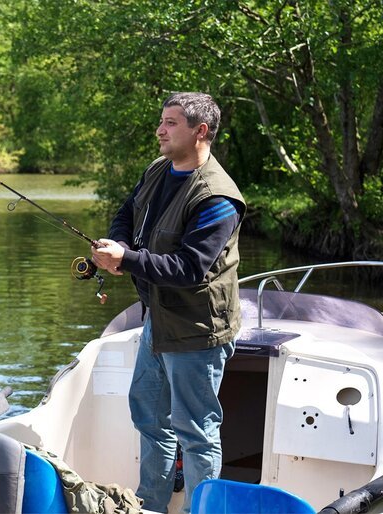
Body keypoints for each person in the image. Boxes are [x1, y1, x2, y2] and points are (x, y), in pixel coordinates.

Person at [90, 92, 245, 513]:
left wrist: (130, 260)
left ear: (201, 131)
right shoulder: (158, 169)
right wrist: (119, 246)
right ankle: (150, 507)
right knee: (149, 418)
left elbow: (190, 268)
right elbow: (128, 213)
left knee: (195, 432)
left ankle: (201, 510)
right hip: (156, 321)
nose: (160, 130)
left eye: (171, 123)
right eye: (161, 121)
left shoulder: (217, 197)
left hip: (197, 331)